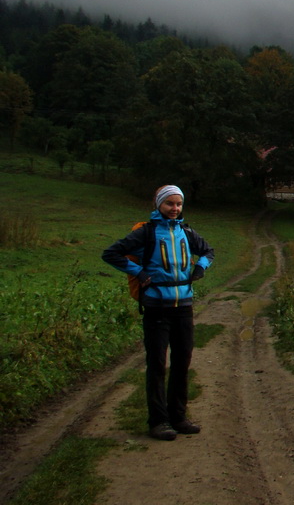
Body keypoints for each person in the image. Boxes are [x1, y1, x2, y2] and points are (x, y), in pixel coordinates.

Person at [102, 185, 214, 441]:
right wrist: (139, 273)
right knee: (157, 365)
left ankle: (179, 417)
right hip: (156, 308)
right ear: (158, 205)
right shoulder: (146, 233)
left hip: (183, 307)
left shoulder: (186, 231)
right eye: (169, 204)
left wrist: (201, 267)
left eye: (178, 204)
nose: (175, 209)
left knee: (182, 362)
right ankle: (158, 421)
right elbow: (111, 254)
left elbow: (208, 251)